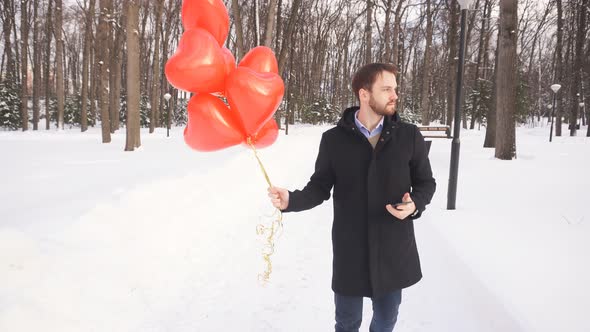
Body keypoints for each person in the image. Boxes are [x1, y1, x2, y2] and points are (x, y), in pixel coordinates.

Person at [268, 62, 436, 332]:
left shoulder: (409, 136)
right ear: (364, 94)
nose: (395, 95)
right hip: (350, 247)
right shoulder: (333, 140)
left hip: (393, 245)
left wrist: (415, 205)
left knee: (386, 320)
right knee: (347, 322)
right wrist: (292, 200)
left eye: (395, 88)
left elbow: (426, 182)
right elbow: (320, 187)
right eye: (386, 89)